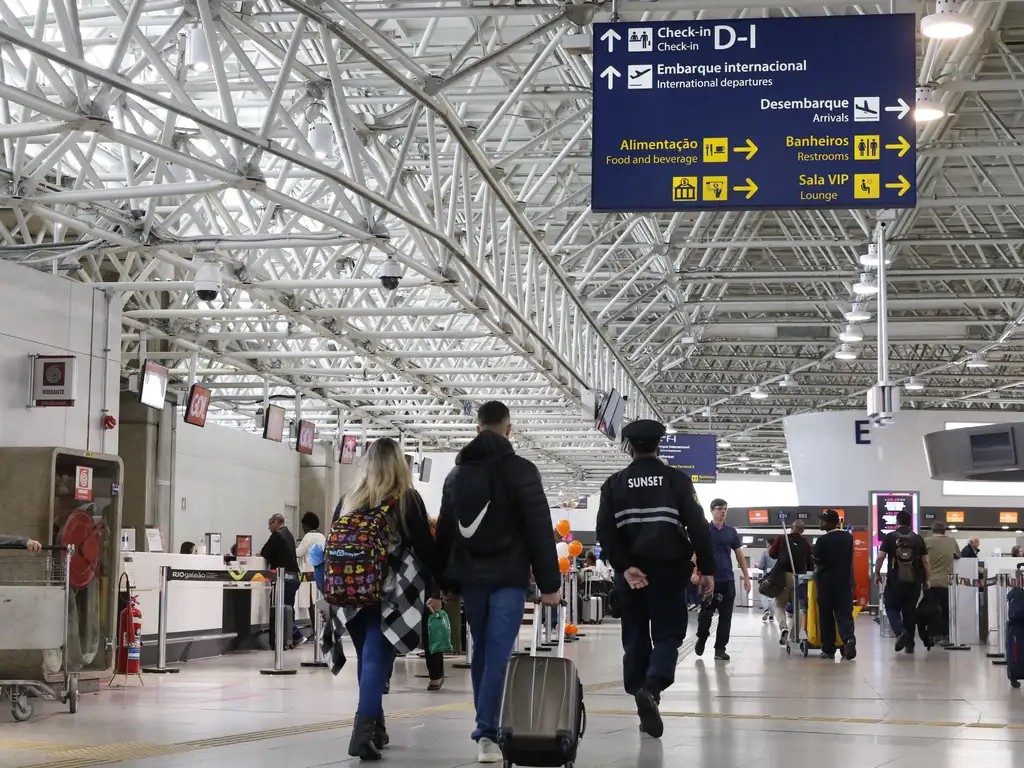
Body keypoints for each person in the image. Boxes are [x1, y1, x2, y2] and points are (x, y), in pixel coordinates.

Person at [435, 401, 561, 764]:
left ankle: (486, 726)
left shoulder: (457, 476)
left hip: (471, 578)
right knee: (499, 651)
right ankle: (486, 731)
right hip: (508, 576)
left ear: (477, 429)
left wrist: (441, 581)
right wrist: (550, 584)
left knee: (483, 651)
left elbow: (445, 532)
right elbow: (539, 528)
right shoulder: (522, 470)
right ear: (509, 430)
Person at [596, 419, 715, 740]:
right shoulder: (677, 480)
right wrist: (707, 569)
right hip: (667, 572)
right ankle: (652, 688)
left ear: (629, 447)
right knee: (667, 636)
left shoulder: (614, 484)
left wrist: (624, 567)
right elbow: (699, 527)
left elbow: (605, 534)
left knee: (634, 637)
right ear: (659, 445)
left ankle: (641, 695)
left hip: (630, 576)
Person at [336, 438, 442, 761]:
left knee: (367, 659)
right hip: (389, 594)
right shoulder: (406, 500)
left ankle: (377, 727)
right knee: (375, 660)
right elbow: (425, 549)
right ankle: (361, 733)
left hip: (350, 594)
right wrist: (439, 586)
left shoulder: (348, 499)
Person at [695, 499, 751, 661]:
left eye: (725, 509)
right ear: (712, 510)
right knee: (706, 614)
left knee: (725, 617)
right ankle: (702, 637)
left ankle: (720, 649)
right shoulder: (705, 529)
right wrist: (694, 573)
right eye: (719, 509)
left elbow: (739, 555)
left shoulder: (731, 532)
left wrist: (746, 577)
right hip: (708, 579)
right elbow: (696, 552)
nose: (723, 512)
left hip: (727, 579)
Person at [875, 510, 931, 654]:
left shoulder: (890, 537)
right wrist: (927, 580)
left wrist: (877, 573)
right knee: (909, 611)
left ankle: (900, 632)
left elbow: (881, 557)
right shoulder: (918, 539)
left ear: (897, 522)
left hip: (895, 581)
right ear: (910, 522)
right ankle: (910, 645)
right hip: (914, 581)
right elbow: (925, 562)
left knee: (891, 607)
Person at [813, 510, 857, 660]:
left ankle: (828, 649)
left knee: (826, 616)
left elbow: (817, 560)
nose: (821, 523)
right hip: (844, 582)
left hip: (826, 583)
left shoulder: (822, 541)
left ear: (832, 522)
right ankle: (849, 639)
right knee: (844, 614)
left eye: (823, 521)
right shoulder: (848, 537)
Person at [260, 513, 304, 649]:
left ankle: (296, 636)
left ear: (276, 522)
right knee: (288, 608)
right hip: (294, 576)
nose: (268, 527)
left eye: (270, 523)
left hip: (284, 577)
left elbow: (264, 552)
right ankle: (288, 640)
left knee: (280, 608)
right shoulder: (289, 534)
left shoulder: (277, 535)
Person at [768, 520, 813, 646]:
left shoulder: (783, 539)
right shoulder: (806, 544)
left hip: (783, 577)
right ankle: (794, 636)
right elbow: (810, 564)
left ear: (791, 528)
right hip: (800, 578)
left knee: (779, 605)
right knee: (798, 608)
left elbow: (772, 554)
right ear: (802, 530)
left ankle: (783, 628)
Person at [297, 512, 327, 638]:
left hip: (309, 574)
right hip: (321, 573)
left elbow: (298, 553)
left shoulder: (309, 537)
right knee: (319, 602)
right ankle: (321, 631)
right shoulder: (322, 536)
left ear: (306, 525)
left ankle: (316, 632)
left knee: (312, 604)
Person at [756, 548, 778, 622]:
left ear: (768, 544)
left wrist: (757, 565)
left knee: (763, 593)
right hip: (777, 578)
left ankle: (766, 610)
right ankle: (772, 616)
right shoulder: (779, 552)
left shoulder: (766, 553)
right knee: (773, 596)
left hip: (767, 578)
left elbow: (761, 566)